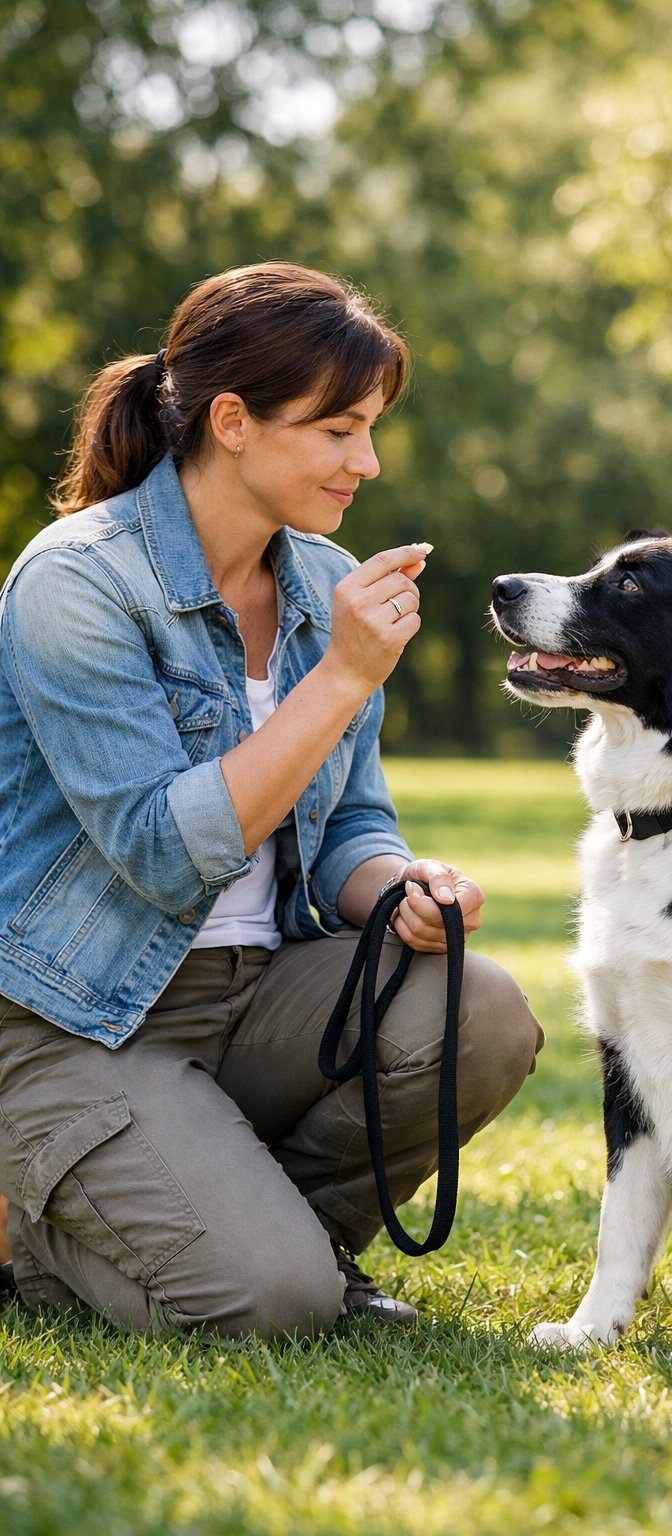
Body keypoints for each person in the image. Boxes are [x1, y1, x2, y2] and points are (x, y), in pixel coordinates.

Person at [0, 261, 543, 1339]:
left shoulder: (316, 585)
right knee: (277, 1304)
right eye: (338, 429)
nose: (367, 461)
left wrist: (402, 886)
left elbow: (348, 823)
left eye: (371, 428)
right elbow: (160, 848)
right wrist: (342, 675)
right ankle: (35, 1233)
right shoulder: (79, 582)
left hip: (258, 994)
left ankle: (246, 1221)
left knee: (479, 1012)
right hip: (81, 1023)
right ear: (234, 421)